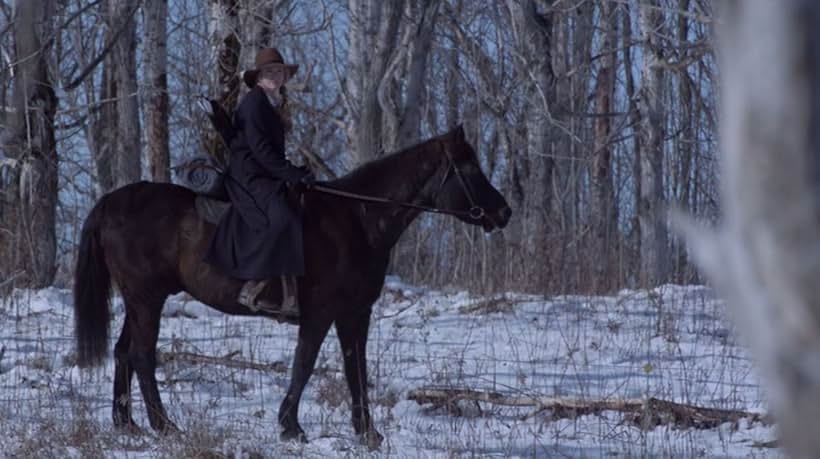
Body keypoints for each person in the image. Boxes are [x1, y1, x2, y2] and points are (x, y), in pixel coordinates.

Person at [204, 47, 313, 321]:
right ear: (258, 77)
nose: (275, 75)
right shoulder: (255, 104)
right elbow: (261, 150)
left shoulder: (273, 102)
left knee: (296, 210)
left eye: (279, 70)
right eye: (269, 71)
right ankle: (254, 287)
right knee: (282, 218)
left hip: (264, 172)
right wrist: (291, 174)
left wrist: (294, 172)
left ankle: (289, 296)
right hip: (250, 176)